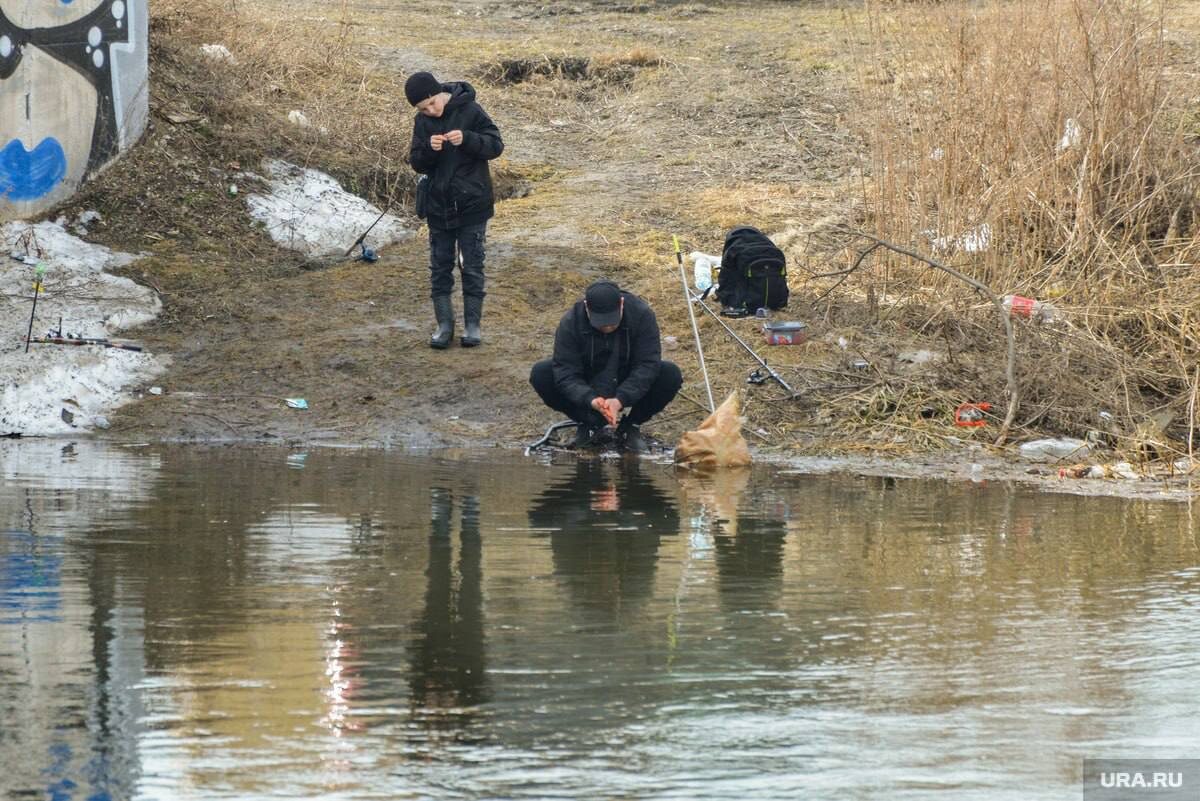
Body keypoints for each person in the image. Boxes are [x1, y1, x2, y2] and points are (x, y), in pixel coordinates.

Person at [406, 70, 504, 349]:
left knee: (471, 266)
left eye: (432, 104)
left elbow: (496, 145)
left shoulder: (471, 110)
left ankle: (473, 326)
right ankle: (444, 326)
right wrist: (429, 149)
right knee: (439, 268)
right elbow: (417, 162)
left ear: (439, 93)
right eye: (423, 109)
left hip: (473, 205)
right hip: (438, 207)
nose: (431, 111)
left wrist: (469, 139)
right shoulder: (422, 122)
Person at [529, 279, 682, 452]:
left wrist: (620, 399)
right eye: (600, 322)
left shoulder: (642, 315)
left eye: (612, 321)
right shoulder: (571, 322)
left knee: (670, 374)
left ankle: (631, 425)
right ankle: (588, 423)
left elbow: (647, 365)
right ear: (586, 307)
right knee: (542, 373)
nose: (607, 327)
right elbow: (565, 372)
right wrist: (590, 399)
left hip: (626, 376)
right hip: (588, 379)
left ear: (621, 304)